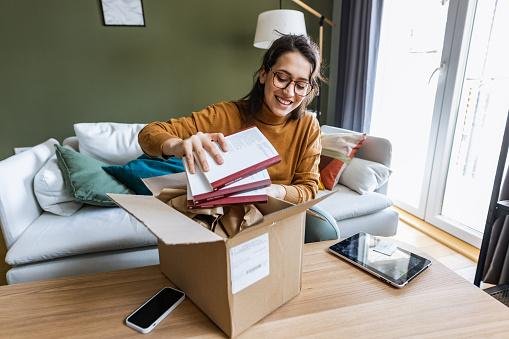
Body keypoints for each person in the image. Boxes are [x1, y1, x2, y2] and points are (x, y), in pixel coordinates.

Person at [138, 34, 339, 242]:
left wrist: (274, 192)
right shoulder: (226, 114)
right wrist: (177, 145)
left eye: (300, 84)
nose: (289, 92)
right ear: (263, 74)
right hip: (227, 216)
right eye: (281, 77)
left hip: (277, 213)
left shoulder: (308, 125)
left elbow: (308, 189)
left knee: (324, 230)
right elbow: (148, 133)